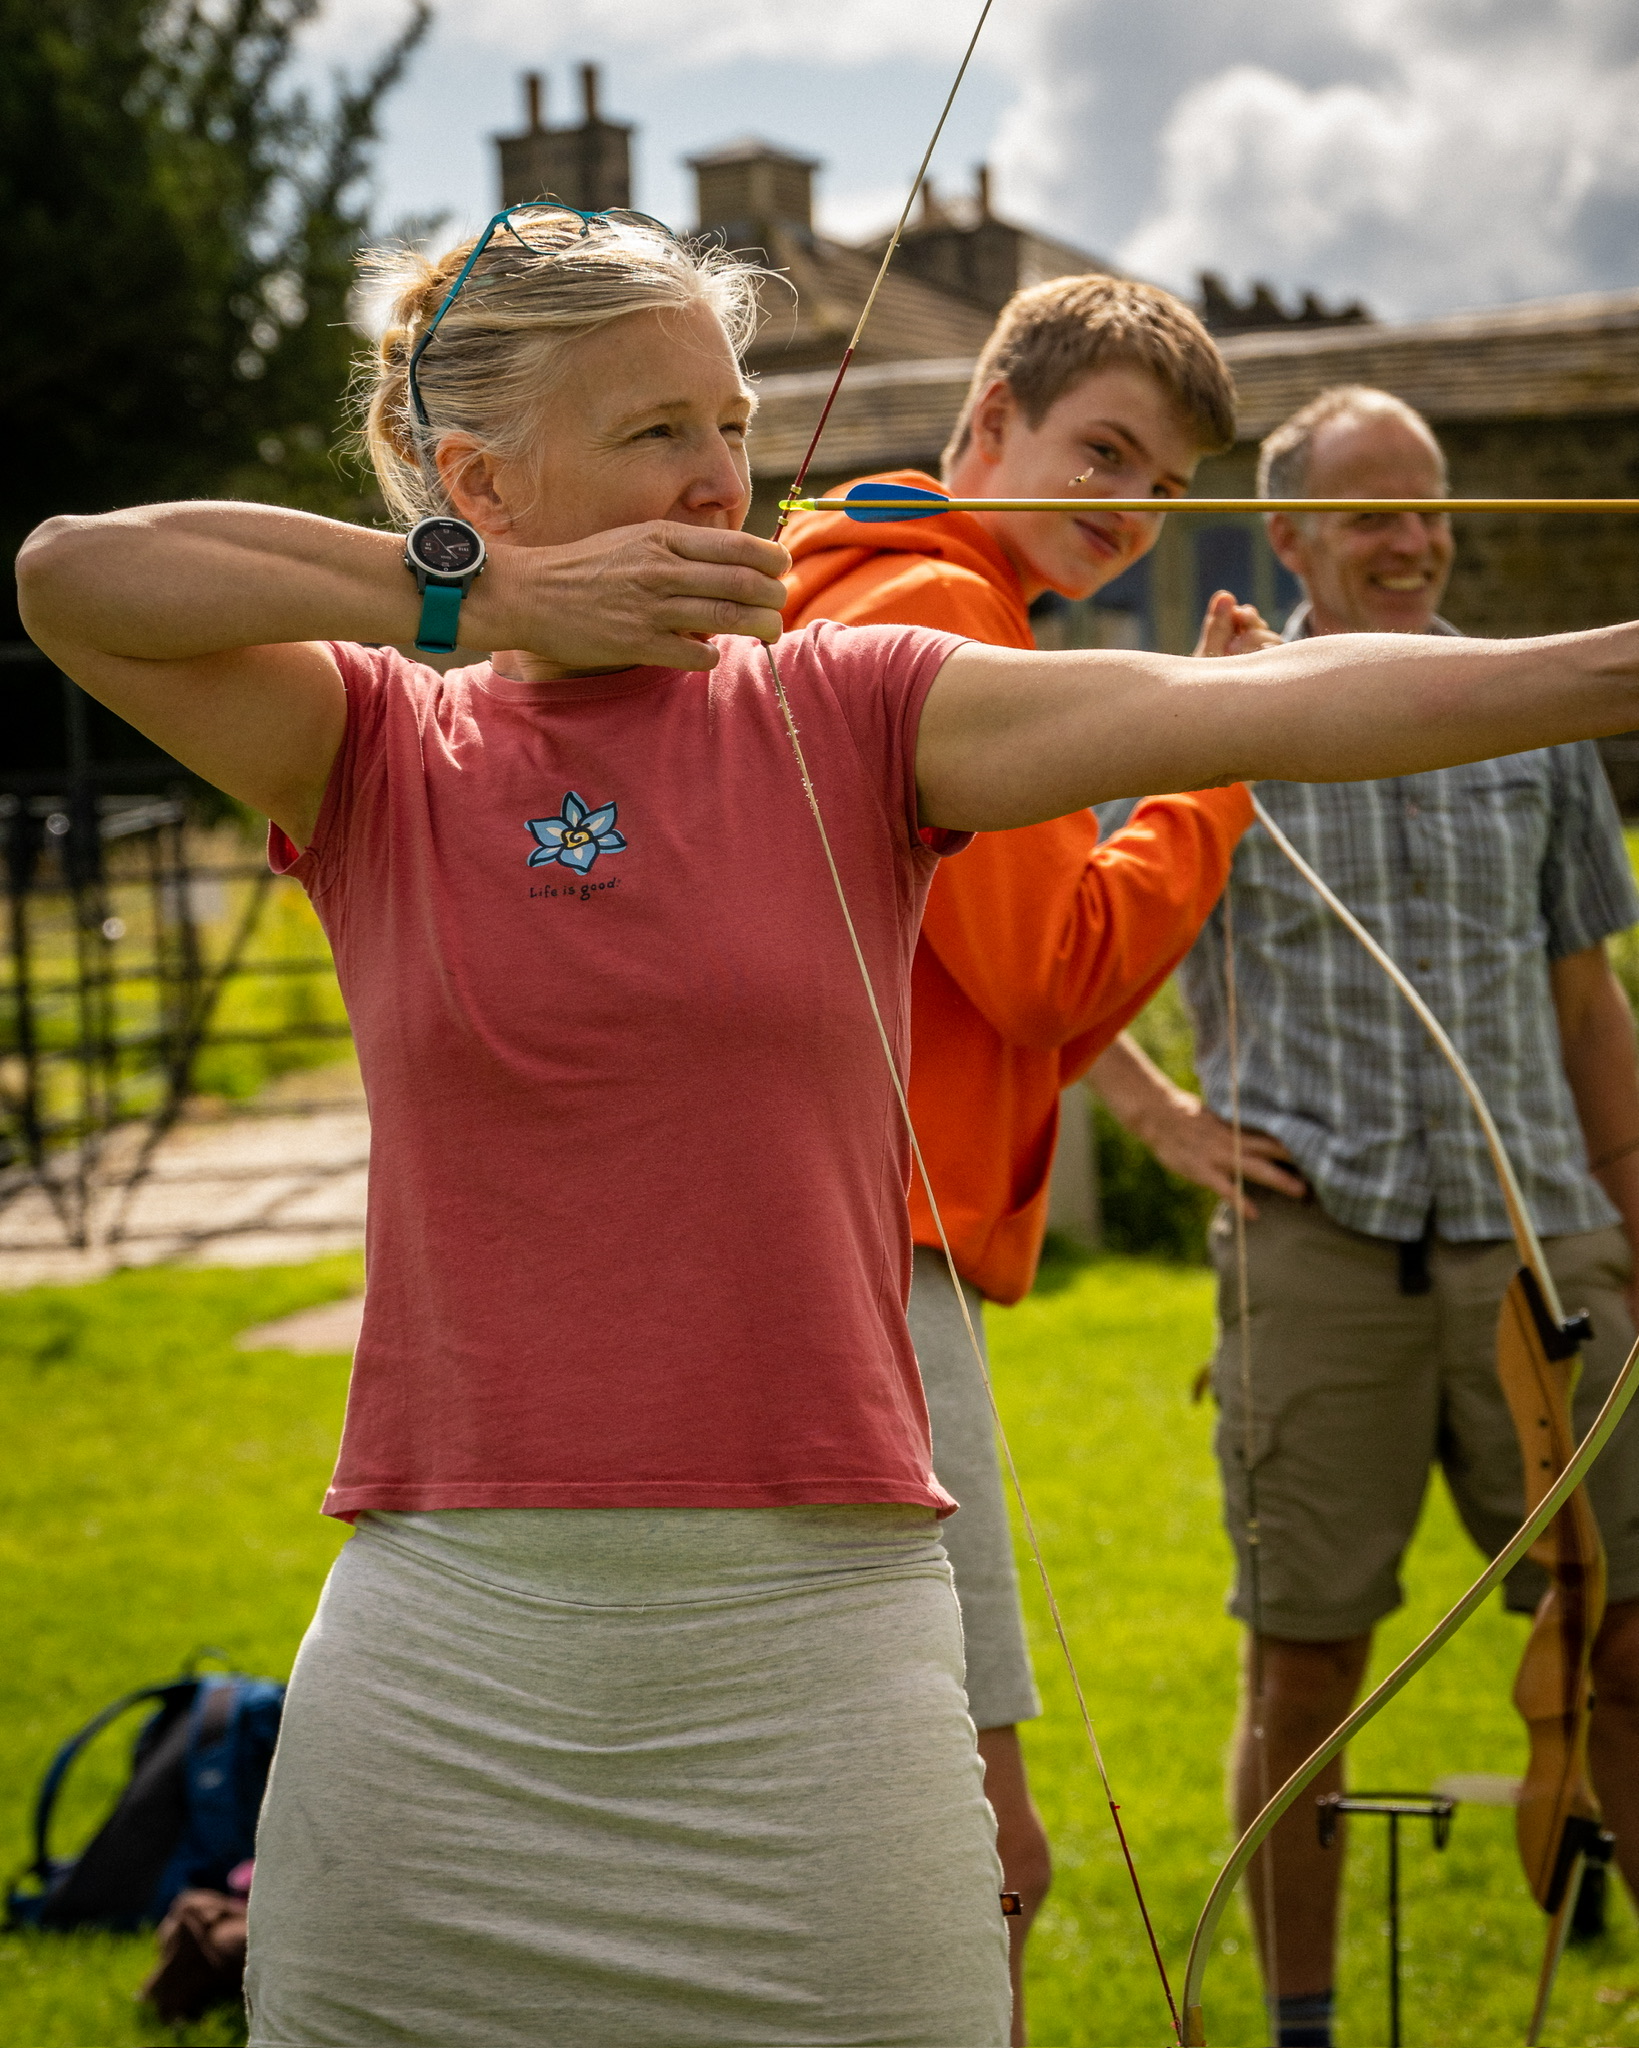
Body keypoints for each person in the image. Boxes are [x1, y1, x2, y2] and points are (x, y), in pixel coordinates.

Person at [18, 216, 1639, 2048]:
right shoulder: (375, 743)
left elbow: (1236, 699)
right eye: (657, 434)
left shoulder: (846, 708)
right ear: (478, 479)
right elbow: (76, 573)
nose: (727, 475)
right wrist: (473, 603)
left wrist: (1605, 671)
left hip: (812, 1661)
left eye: (732, 422)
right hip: (447, 1668)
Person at [1089, 384, 1639, 2048]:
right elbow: (1037, 933)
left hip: (1542, 1239)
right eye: (1372, 513)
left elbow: (1588, 1000)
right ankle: (1308, 2028)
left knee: (1624, 1644)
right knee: (1310, 1667)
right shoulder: (1204, 715)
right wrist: (1161, 1116)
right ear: (1291, 536)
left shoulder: (1527, 715)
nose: (1412, 540)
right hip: (1319, 1252)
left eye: (1433, 507)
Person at [782, 273, 1269, 2040]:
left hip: (807, 1240)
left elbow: (960, 968)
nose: (1130, 507)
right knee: (983, 1854)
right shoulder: (945, 623)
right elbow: (1050, 962)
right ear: (985, 421)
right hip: (874, 1269)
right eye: (1103, 452)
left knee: (836, 1812)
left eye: (1161, 488)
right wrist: (1212, 765)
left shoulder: (853, 577)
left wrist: (1143, 1107)